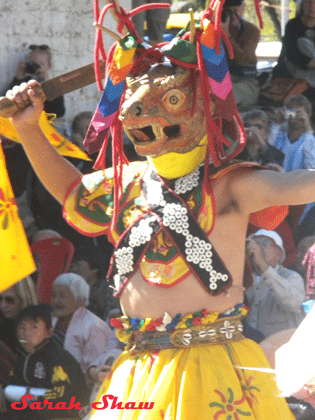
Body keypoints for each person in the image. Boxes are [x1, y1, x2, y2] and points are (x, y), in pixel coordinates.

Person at [6, 6, 314, 417]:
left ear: (202, 106)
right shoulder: (127, 182)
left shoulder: (227, 184)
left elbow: (294, 185)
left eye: (169, 99)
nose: (141, 112)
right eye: (135, 101)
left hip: (214, 363)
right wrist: (28, 129)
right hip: (139, 368)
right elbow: (73, 192)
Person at [0, 304, 88, 419]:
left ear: (49, 332)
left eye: (34, 327)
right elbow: (12, 383)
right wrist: (2, 391)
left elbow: (62, 397)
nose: (26, 333)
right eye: (22, 327)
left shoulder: (57, 358)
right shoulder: (25, 357)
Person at [50, 273, 118, 385]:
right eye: (54, 295)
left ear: (80, 300)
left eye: (63, 296)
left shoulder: (94, 327)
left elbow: (95, 371)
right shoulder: (50, 320)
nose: (56, 301)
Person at [245, 229, 306, 338]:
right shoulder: (246, 278)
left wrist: (263, 267)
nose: (258, 248)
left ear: (278, 254)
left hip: (283, 348)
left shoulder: (291, 276)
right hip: (254, 349)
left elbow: (293, 302)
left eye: (264, 243)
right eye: (255, 243)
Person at [5, 44, 65, 118]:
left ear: (50, 65)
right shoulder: (24, 84)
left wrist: (46, 81)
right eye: (33, 63)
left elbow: (59, 111)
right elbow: (5, 106)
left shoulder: (54, 86)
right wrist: (18, 77)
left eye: (41, 63)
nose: (36, 67)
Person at [221, 0, 261, 110]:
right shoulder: (215, 30)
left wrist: (227, 35)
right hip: (225, 78)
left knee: (225, 90)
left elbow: (244, 60)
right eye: (227, 11)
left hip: (246, 81)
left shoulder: (251, 31)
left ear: (243, 8)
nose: (231, 15)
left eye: (235, 11)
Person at [273, 0, 315, 99]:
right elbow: (292, 53)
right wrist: (310, 62)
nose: (312, 7)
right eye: (309, 3)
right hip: (295, 67)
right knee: (303, 42)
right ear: (302, 5)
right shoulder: (293, 25)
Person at [269, 94, 315, 172]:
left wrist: (308, 128)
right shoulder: (277, 136)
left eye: (299, 113)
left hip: (299, 183)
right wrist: (277, 123)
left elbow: (312, 170)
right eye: (291, 112)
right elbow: (265, 152)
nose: (294, 116)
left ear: (309, 115)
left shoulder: (310, 141)